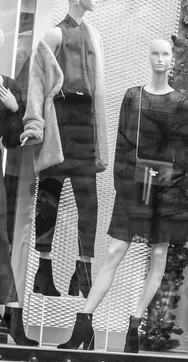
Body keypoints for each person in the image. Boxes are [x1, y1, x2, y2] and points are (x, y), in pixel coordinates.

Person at [57, 39, 188, 352]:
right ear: (148, 58)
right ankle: (84, 322)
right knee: (114, 251)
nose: (160, 59)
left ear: (172, 61)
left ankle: (134, 326)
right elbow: (122, 142)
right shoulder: (133, 96)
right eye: (155, 53)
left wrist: (175, 168)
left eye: (165, 54)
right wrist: (123, 183)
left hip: (164, 191)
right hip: (135, 188)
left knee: (158, 256)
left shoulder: (178, 102)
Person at [21, 0, 108, 298]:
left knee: (89, 204)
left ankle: (82, 271)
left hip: (84, 126)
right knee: (49, 200)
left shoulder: (93, 35)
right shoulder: (56, 35)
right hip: (60, 124)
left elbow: (97, 89)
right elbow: (37, 80)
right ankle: (43, 271)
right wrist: (34, 125)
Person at [0, 29, 38, 346]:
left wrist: (15, 109)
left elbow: (13, 142)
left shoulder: (8, 87)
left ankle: (10, 317)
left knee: (2, 243)